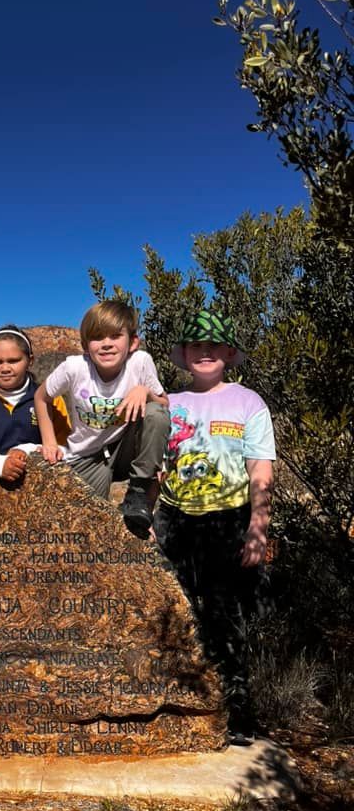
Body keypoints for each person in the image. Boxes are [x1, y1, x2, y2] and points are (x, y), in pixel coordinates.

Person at [154, 310, 275, 745]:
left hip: (228, 520)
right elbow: (151, 465)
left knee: (226, 619)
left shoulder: (249, 402)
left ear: (227, 352)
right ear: (183, 356)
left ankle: (237, 716)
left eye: (212, 346)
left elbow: (260, 468)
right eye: (194, 347)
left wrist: (257, 528)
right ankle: (176, 711)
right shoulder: (167, 401)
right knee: (174, 616)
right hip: (174, 520)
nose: (204, 353)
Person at [33, 300, 169, 538]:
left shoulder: (140, 362)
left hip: (126, 448)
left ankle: (138, 494)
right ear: (86, 346)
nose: (106, 344)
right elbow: (41, 397)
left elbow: (165, 405)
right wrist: (49, 442)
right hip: (89, 454)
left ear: (133, 342)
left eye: (115, 336)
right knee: (84, 527)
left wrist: (145, 392)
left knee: (156, 413)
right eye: (97, 338)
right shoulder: (74, 368)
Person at [0, 325, 70, 480]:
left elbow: (64, 447)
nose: (5, 368)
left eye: (13, 361)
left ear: (30, 360)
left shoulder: (50, 399)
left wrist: (26, 451)